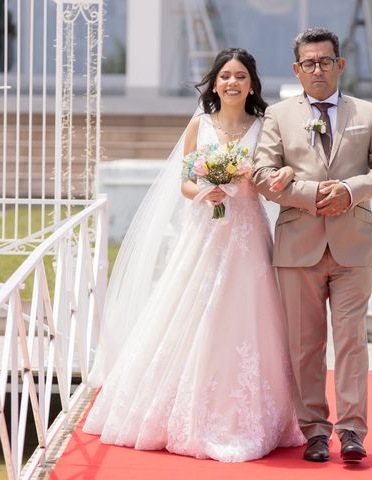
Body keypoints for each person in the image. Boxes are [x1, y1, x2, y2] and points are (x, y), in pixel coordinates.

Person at [83, 48, 305, 462]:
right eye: (225, 76)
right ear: (214, 82)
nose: (232, 83)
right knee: (188, 308)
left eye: (240, 76)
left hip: (248, 233)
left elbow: (273, 175)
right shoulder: (198, 125)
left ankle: (252, 418)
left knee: (249, 314)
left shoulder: (265, 125)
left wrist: (264, 178)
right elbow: (184, 182)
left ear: (252, 83)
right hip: (204, 229)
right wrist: (208, 190)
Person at [253, 27, 372, 463]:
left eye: (325, 61)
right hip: (298, 245)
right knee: (305, 344)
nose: (318, 69)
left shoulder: (367, 113)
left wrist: (351, 190)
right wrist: (310, 194)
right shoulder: (277, 117)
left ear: (340, 64)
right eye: (309, 63)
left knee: (352, 340)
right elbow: (263, 175)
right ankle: (315, 430)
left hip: (353, 244)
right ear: (297, 70)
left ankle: (353, 430)